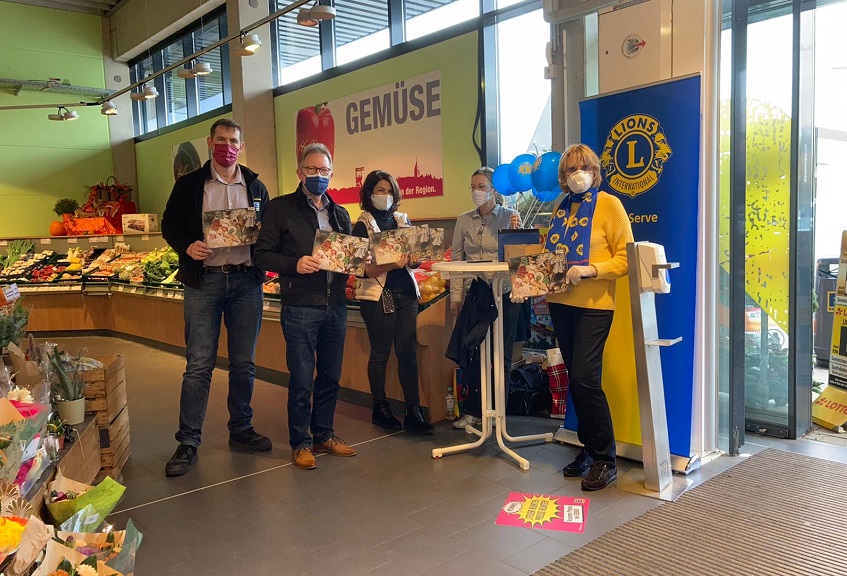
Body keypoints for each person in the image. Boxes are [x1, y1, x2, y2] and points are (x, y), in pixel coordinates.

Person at [161, 118, 271, 478]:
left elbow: (266, 230)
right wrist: (185, 245)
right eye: (221, 140)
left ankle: (240, 428)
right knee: (199, 365)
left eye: (234, 140)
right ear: (210, 143)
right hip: (204, 282)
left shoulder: (255, 186)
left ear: (242, 146)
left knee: (244, 363)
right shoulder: (191, 184)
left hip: (245, 284)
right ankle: (189, 440)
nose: (227, 146)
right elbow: (169, 224)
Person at [254, 143, 357, 470]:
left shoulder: (340, 214)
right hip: (300, 305)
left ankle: (324, 433)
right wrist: (294, 264)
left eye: (324, 171)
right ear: (300, 172)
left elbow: (350, 258)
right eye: (311, 170)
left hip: (336, 305)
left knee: (330, 374)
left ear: (331, 173)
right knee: (301, 377)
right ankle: (301, 442)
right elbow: (261, 255)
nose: (318, 176)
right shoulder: (280, 209)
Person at [545, 143, 634, 491]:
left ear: (595, 171)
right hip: (561, 303)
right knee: (576, 379)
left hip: (594, 305)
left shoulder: (610, 205)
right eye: (569, 170)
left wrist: (591, 269)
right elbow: (552, 256)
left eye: (583, 167)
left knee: (585, 378)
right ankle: (588, 449)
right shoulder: (560, 208)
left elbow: (626, 260)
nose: (576, 174)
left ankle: (604, 459)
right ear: (564, 177)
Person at [351, 170, 434, 435]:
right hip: (377, 295)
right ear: (369, 193)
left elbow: (418, 257)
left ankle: (413, 410)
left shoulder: (402, 219)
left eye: (389, 190)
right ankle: (380, 407)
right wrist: (388, 263)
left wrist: (414, 259)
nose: (384, 195)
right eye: (379, 190)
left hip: (406, 294)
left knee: (407, 352)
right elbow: (358, 269)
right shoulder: (361, 225)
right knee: (381, 352)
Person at [449, 167, 521, 429]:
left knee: (501, 353)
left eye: (481, 186)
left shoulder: (510, 216)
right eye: (473, 187)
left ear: (494, 188)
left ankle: (499, 411)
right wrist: (455, 297)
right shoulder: (463, 220)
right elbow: (457, 259)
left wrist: (517, 231)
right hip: (476, 293)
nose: (476, 192)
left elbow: (518, 256)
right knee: (474, 350)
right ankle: (473, 411)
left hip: (504, 293)